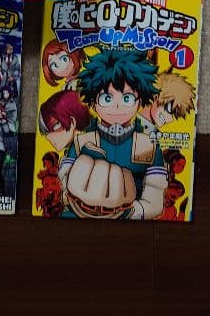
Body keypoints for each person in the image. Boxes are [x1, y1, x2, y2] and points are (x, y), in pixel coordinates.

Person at [59, 48, 168, 220]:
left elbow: (154, 203)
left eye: (127, 99)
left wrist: (126, 211)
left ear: (140, 101)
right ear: (93, 103)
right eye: (107, 99)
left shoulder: (149, 146)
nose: (117, 107)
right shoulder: (81, 141)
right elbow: (64, 187)